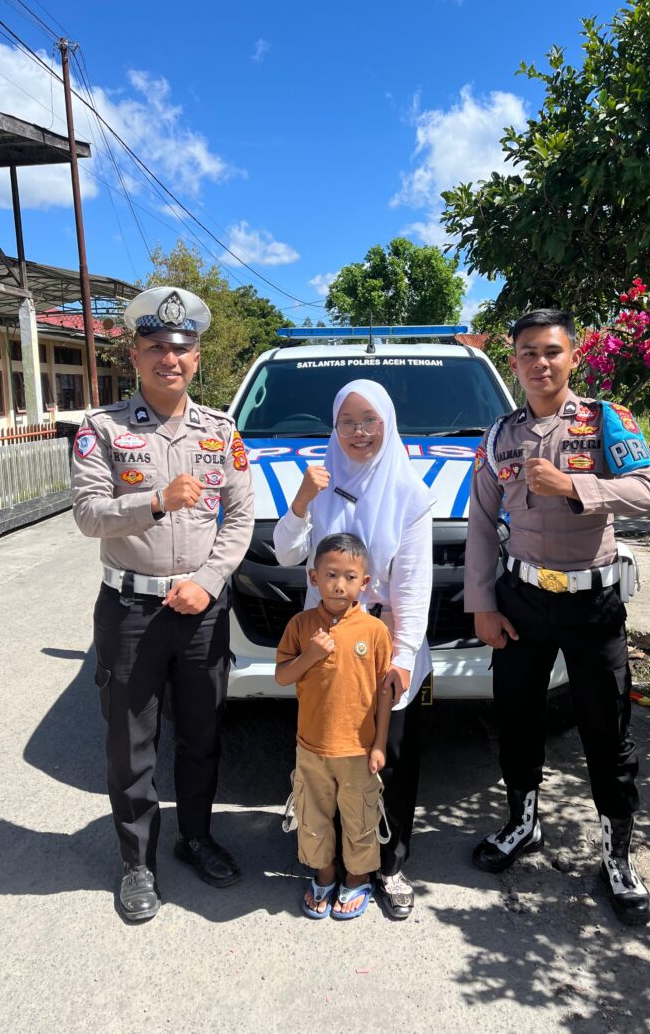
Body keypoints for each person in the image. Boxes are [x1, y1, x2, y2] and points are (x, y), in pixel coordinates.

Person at [464, 308, 650, 926]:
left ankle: (617, 855)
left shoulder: (606, 420)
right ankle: (522, 825)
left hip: (591, 603)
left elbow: (649, 492)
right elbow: (480, 525)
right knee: (517, 717)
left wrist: (576, 486)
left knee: (607, 728)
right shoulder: (498, 437)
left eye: (551, 351)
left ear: (573, 356)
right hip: (522, 600)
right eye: (528, 352)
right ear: (514, 361)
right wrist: (482, 604)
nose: (540, 363)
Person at [71, 286, 254, 922]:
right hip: (130, 611)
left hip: (200, 609)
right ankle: (137, 863)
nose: (168, 359)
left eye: (180, 348)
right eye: (155, 347)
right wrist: (154, 502)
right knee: (131, 742)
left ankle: (195, 838)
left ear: (196, 357)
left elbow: (240, 516)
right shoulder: (102, 430)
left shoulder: (221, 432)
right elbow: (88, 515)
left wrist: (209, 579)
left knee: (202, 734)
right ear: (135, 355)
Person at [273, 379, 433, 919]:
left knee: (389, 756)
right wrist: (301, 503)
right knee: (329, 751)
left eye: (370, 421)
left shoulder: (409, 493)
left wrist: (403, 658)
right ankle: (331, 861)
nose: (359, 432)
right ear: (334, 427)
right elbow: (287, 553)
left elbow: (413, 585)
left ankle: (389, 864)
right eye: (348, 421)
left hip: (383, 639)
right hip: (324, 646)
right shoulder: (320, 480)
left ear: (388, 424)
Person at [276, 533, 393, 919]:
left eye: (349, 576)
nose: (339, 585)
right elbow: (282, 676)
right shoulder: (301, 625)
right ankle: (324, 874)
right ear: (314, 578)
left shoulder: (374, 631)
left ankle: (357, 878)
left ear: (365, 582)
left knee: (360, 818)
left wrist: (380, 743)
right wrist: (310, 654)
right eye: (330, 575)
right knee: (312, 817)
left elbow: (384, 693)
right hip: (311, 747)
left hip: (358, 750)